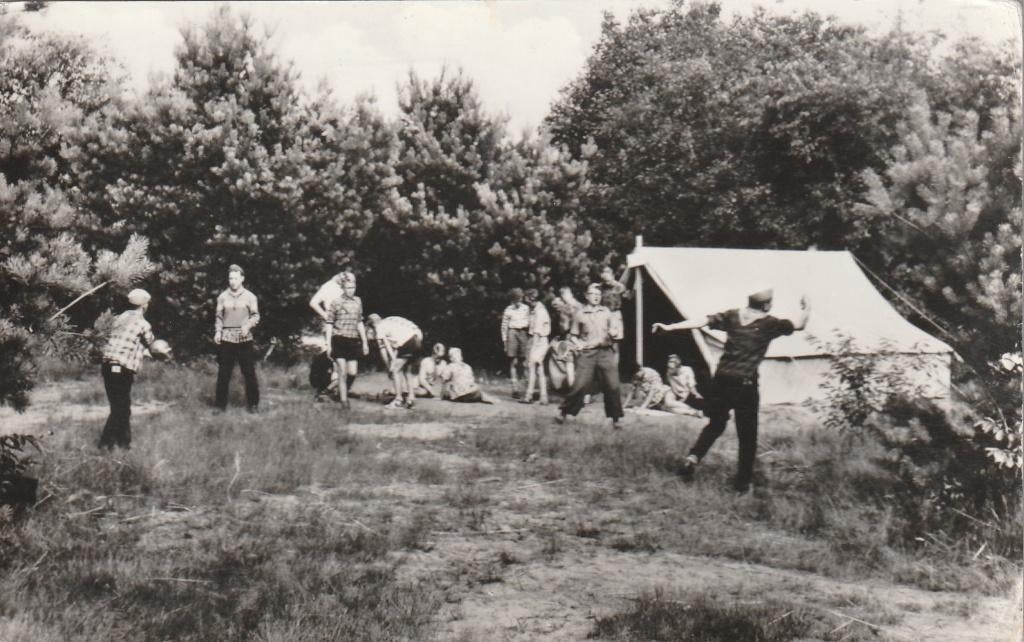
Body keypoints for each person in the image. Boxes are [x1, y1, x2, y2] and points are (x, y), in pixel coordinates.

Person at [652, 288, 811, 493]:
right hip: (745, 384)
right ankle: (742, 484)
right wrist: (807, 307)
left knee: (716, 423)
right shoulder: (769, 324)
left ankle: (693, 458)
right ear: (765, 305)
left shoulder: (733, 316)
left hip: (721, 379)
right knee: (747, 435)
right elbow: (800, 324)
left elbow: (702, 320)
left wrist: (671, 327)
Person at [98, 289, 168, 450]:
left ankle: (123, 444)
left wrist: (142, 351)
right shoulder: (143, 324)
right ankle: (105, 443)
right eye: (147, 303)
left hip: (107, 365)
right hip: (122, 368)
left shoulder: (116, 320)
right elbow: (153, 345)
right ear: (143, 305)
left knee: (120, 406)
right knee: (121, 408)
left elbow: (125, 342)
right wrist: (160, 352)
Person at [555, 283, 624, 429]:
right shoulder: (580, 314)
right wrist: (577, 343)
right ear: (587, 296)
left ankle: (616, 419)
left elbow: (615, 330)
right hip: (587, 354)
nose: (596, 297)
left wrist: (614, 333)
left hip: (605, 352)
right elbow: (573, 335)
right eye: (593, 294)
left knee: (612, 385)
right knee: (580, 384)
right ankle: (564, 412)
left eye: (598, 295)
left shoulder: (606, 312)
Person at [214, 264, 260, 412]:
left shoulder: (250, 297)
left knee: (249, 373)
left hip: (244, 338)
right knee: (224, 373)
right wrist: (218, 332)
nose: (232, 281)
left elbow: (255, 316)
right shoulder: (222, 297)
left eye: (235, 278)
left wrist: (247, 326)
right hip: (226, 338)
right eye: (230, 278)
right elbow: (219, 317)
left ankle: (253, 405)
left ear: (242, 279)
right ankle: (220, 406)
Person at [325, 276, 369, 409]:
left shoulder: (358, 301)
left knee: (353, 372)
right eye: (348, 288)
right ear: (343, 288)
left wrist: (365, 341)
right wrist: (328, 344)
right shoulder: (336, 302)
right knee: (342, 371)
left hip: (353, 339)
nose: (351, 290)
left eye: (353, 287)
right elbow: (329, 324)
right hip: (339, 339)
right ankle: (344, 401)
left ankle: (341, 392)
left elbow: (360, 321)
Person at [367, 313, 423, 410]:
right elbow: (397, 342)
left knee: (395, 371)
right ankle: (411, 398)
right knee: (407, 371)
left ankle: (398, 400)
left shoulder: (379, 326)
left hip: (408, 341)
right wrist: (394, 358)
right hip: (418, 337)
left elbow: (384, 349)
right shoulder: (391, 319)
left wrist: (390, 366)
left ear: (372, 324)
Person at [625, 363, 702, 417]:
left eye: (637, 374)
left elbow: (652, 392)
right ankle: (693, 412)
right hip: (656, 401)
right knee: (669, 410)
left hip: (665, 392)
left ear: (640, 369)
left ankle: (689, 407)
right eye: (634, 376)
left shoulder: (650, 373)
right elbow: (631, 391)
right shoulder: (636, 377)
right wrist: (623, 406)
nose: (636, 377)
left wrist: (643, 407)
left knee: (669, 403)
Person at [522, 289, 551, 405]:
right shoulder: (535, 310)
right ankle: (543, 396)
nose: (527, 302)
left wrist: (532, 349)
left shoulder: (540, 312)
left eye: (527, 299)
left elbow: (537, 333)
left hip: (540, 341)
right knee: (538, 369)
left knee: (533, 366)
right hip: (538, 341)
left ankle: (529, 395)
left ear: (531, 299)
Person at [500, 287, 531, 398]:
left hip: (523, 333)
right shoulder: (508, 310)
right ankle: (515, 389)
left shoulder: (526, 308)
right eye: (516, 300)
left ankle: (527, 388)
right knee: (513, 361)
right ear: (512, 300)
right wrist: (505, 341)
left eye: (520, 299)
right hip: (512, 333)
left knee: (524, 362)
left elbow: (530, 322)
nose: (518, 302)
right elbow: (504, 327)